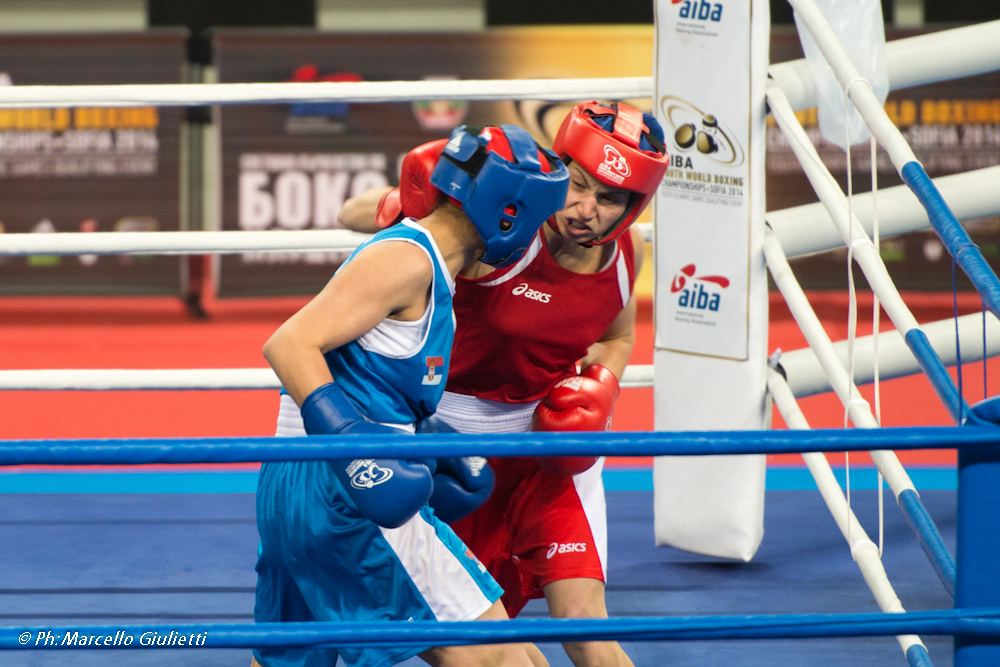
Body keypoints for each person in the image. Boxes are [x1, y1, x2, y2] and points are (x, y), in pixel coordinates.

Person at [338, 102, 668, 667]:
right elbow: (351, 213)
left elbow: (617, 335)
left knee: (590, 631)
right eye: (578, 185)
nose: (585, 210)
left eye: (609, 198)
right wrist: (411, 204)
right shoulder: (504, 224)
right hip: (448, 461)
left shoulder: (623, 257)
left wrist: (604, 385)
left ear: (634, 206)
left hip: (544, 459)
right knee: (480, 650)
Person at [252, 123, 569, 667]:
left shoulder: (433, 269)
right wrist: (356, 451)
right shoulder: (409, 258)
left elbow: (367, 376)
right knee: (511, 662)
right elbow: (290, 344)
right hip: (344, 489)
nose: (532, 241)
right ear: (509, 212)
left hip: (298, 486)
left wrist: (428, 443)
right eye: (536, 223)